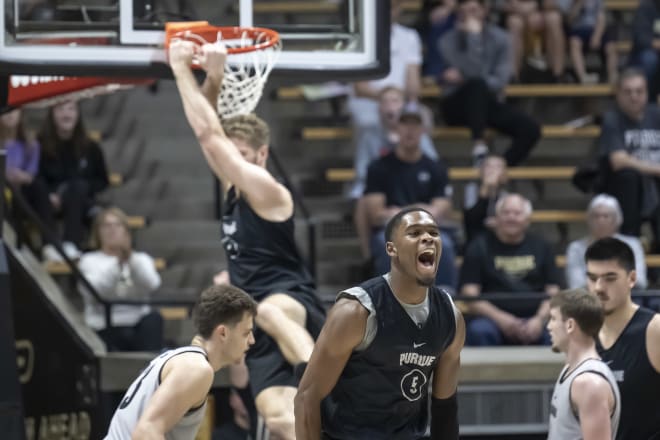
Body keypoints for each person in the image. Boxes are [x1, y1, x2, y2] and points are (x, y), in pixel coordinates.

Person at [169, 41, 325, 439]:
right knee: (278, 418)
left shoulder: (268, 189)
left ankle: (332, 387)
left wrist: (181, 67)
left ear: (261, 155)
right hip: (252, 312)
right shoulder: (231, 187)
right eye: (231, 154)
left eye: (240, 154)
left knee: (271, 313)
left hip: (290, 299)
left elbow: (209, 136)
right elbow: (208, 135)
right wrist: (215, 81)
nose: (231, 161)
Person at [294, 207, 465, 440]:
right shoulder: (356, 311)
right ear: (391, 249)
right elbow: (307, 398)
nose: (428, 238)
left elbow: (445, 407)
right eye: (414, 233)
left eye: (433, 233)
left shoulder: (450, 317)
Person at [104, 284, 257, 439]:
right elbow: (146, 432)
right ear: (223, 333)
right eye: (246, 333)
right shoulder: (196, 368)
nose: (252, 340)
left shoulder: (182, 359)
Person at [362, 105, 457, 289]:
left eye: (415, 125)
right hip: (391, 231)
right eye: (405, 125)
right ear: (397, 129)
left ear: (423, 130)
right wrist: (420, 210)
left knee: (444, 243)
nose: (410, 131)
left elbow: (441, 209)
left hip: (427, 229)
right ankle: (389, 294)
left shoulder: (436, 167)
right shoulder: (378, 168)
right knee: (387, 243)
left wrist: (401, 212)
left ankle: (445, 296)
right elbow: (375, 214)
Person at [438, 0, 541, 166]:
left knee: (530, 129)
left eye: (473, 10)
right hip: (456, 105)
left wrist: (465, 75)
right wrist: (474, 38)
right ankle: (479, 145)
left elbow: (500, 81)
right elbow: (473, 74)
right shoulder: (447, 41)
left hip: (489, 102)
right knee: (476, 86)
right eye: (463, 11)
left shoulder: (502, 38)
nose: (468, 16)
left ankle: (498, 167)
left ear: (485, 11)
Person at [459, 193, 561, 346]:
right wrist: (501, 319)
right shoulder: (478, 247)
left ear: (527, 220)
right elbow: (470, 294)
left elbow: (554, 292)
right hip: (491, 320)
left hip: (535, 318)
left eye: (517, 213)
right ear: (496, 218)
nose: (511, 218)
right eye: (506, 213)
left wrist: (539, 320)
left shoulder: (542, 246)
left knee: (558, 332)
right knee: (479, 331)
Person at [585, 237, 660, 440]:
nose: (599, 287)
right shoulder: (584, 335)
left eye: (610, 278)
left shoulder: (654, 329)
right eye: (592, 278)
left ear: (632, 278)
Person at [78, 207, 163, 352]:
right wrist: (118, 265)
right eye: (107, 226)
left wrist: (130, 260)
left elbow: (152, 284)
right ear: (98, 232)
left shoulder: (141, 259)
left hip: (138, 320)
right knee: (124, 336)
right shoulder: (88, 261)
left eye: (117, 225)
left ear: (126, 231)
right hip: (104, 324)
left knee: (154, 319)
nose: (112, 230)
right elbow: (95, 292)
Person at [37, 99, 109, 260]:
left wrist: (83, 189)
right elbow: (36, 177)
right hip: (50, 202)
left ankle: (72, 244)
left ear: (78, 114)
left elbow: (102, 181)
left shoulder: (91, 147)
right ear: (52, 114)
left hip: (82, 200)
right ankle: (50, 245)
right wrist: (50, 194)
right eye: (61, 109)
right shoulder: (39, 145)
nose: (66, 114)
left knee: (78, 187)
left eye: (71, 109)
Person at [546, 288, 621, 440]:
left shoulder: (589, 383)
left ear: (570, 325)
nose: (549, 326)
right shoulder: (570, 370)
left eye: (553, 319)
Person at [598, 68, 660, 248]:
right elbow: (618, 161)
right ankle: (631, 240)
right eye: (628, 92)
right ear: (618, 94)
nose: (634, 97)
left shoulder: (656, 114)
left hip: (655, 186)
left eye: (639, 91)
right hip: (625, 190)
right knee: (629, 177)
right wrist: (656, 169)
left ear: (647, 92)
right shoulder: (612, 119)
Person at [348, 0, 423, 130]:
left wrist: (397, 101)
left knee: (421, 122)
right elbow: (360, 88)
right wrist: (387, 99)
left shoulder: (410, 37)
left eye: (392, 7)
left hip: (400, 100)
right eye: (384, 8)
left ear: (400, 8)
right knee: (370, 123)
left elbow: (413, 84)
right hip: (368, 100)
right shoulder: (359, 37)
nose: (387, 12)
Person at [565, 194, 647, 289]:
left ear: (617, 220)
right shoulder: (576, 248)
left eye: (606, 216)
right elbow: (576, 285)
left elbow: (640, 281)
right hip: (589, 301)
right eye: (596, 216)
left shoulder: (633, 245)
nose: (601, 220)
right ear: (589, 220)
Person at [560, 0, 618, 84]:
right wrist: (578, 4)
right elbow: (569, 20)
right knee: (574, 43)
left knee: (611, 46)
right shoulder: (570, 2)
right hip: (578, 29)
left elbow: (601, 18)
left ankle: (612, 76)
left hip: (596, 29)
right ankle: (583, 76)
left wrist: (597, 36)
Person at [462, 154, 508, 245]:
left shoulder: (506, 195)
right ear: (481, 171)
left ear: (504, 174)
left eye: (498, 167)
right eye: (488, 166)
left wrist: (499, 222)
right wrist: (485, 188)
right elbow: (470, 219)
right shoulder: (471, 190)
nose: (492, 170)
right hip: (474, 239)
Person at [629, 0, 660, 100]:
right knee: (649, 58)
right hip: (643, 56)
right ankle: (646, 100)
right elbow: (641, 38)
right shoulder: (646, 7)